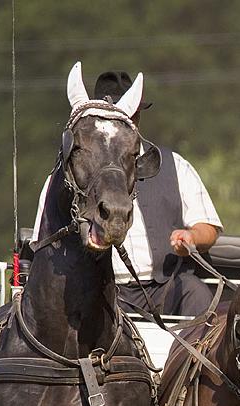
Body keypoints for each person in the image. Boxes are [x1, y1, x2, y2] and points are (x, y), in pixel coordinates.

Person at [31, 65, 223, 318]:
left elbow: (208, 229)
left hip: (164, 288)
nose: (127, 121)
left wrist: (191, 237)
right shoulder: (67, 175)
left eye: (132, 113)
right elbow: (41, 243)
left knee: (196, 292)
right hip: (98, 289)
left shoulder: (176, 166)